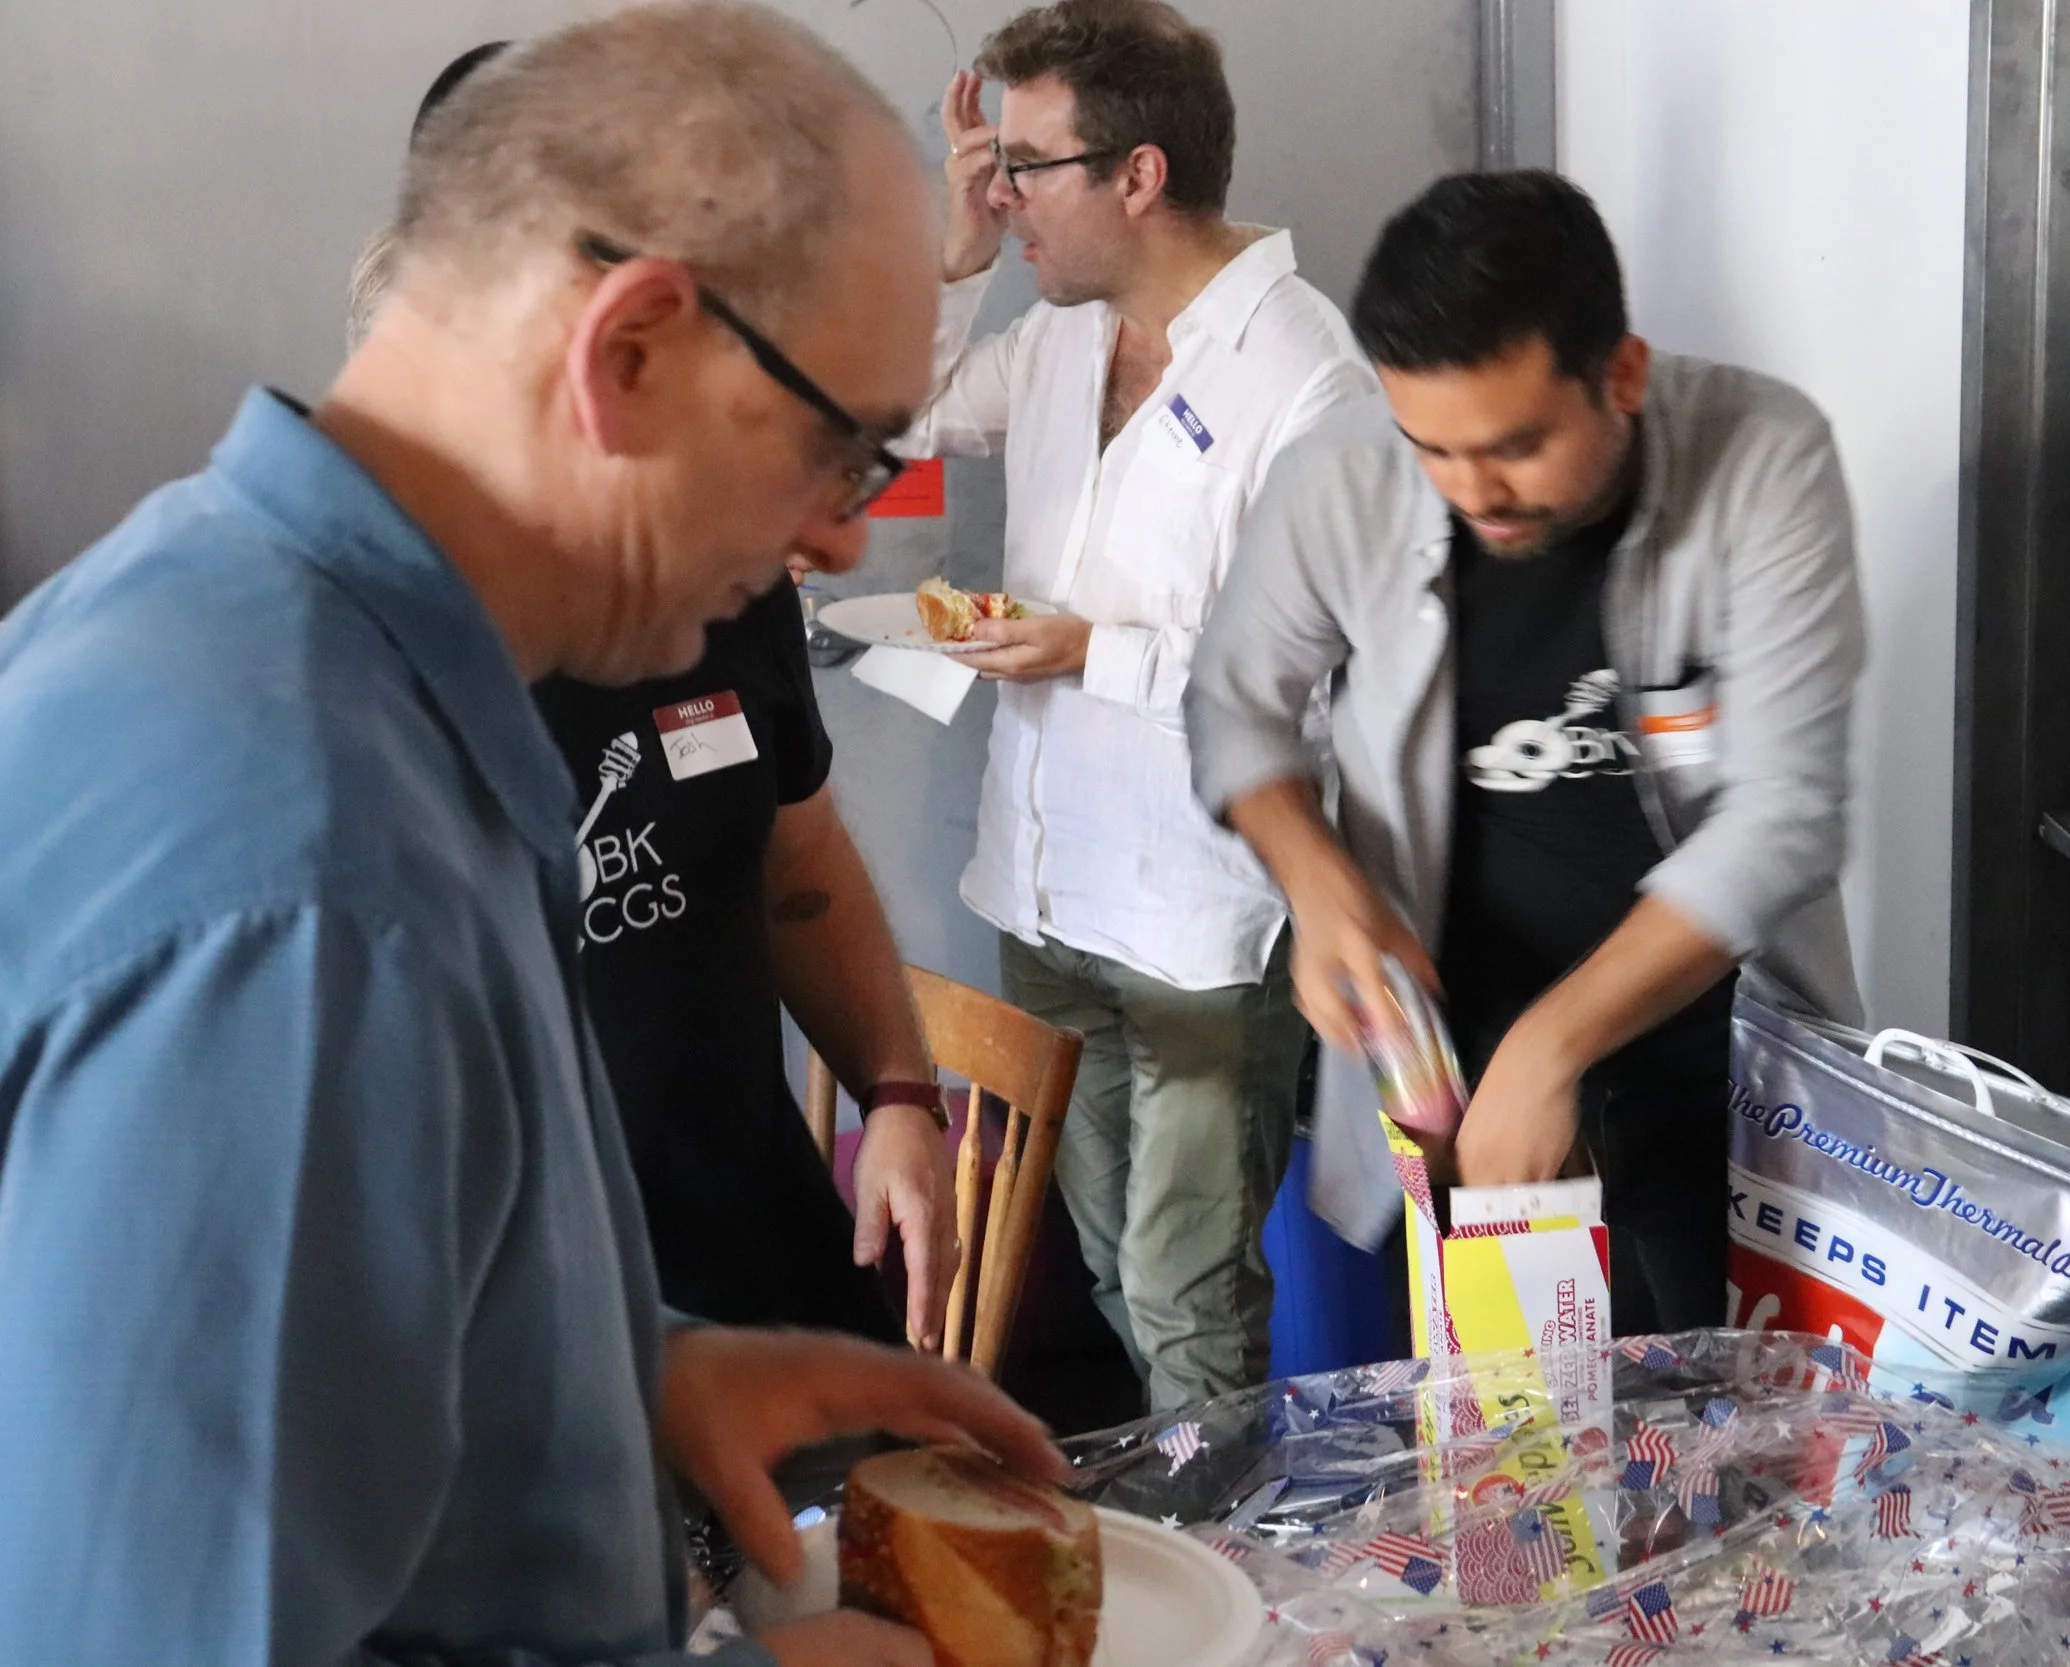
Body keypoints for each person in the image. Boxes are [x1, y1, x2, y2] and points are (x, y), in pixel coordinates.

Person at [0, 8, 1064, 1665]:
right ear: (629, 348)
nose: (844, 535)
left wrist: (621, 1372)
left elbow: (327, 1344)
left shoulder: (266, 634)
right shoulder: (309, 876)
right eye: (838, 450)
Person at [1186, 171, 1867, 1336]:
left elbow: (1784, 815)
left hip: (1720, 1059)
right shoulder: (1337, 474)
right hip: (1453, 1066)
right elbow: (1234, 703)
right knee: (1506, 1428)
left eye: (1515, 446)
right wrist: (1318, 882)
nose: (1473, 491)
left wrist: (1555, 1045)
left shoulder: (1760, 455)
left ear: (1623, 375)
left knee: (1741, 1415)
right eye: (1432, 449)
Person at [367, 38, 956, 1353]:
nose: (838, 540)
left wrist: (898, 1093)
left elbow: (795, 859)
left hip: (742, 1280)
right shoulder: (331, 697)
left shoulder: (722, 581)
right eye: (810, 437)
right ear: (623, 347)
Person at [903, 0, 1376, 1408]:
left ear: (1138, 174)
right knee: (1116, 1271)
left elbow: (1318, 675)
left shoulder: (1307, 376)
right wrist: (954, 256)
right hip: (1047, 889)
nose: (1003, 193)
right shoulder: (1060, 333)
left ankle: (1229, 1536)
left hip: (1197, 925)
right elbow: (895, 420)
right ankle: (1200, 1502)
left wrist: (1088, 653)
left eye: (1023, 166)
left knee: (1186, 1292)